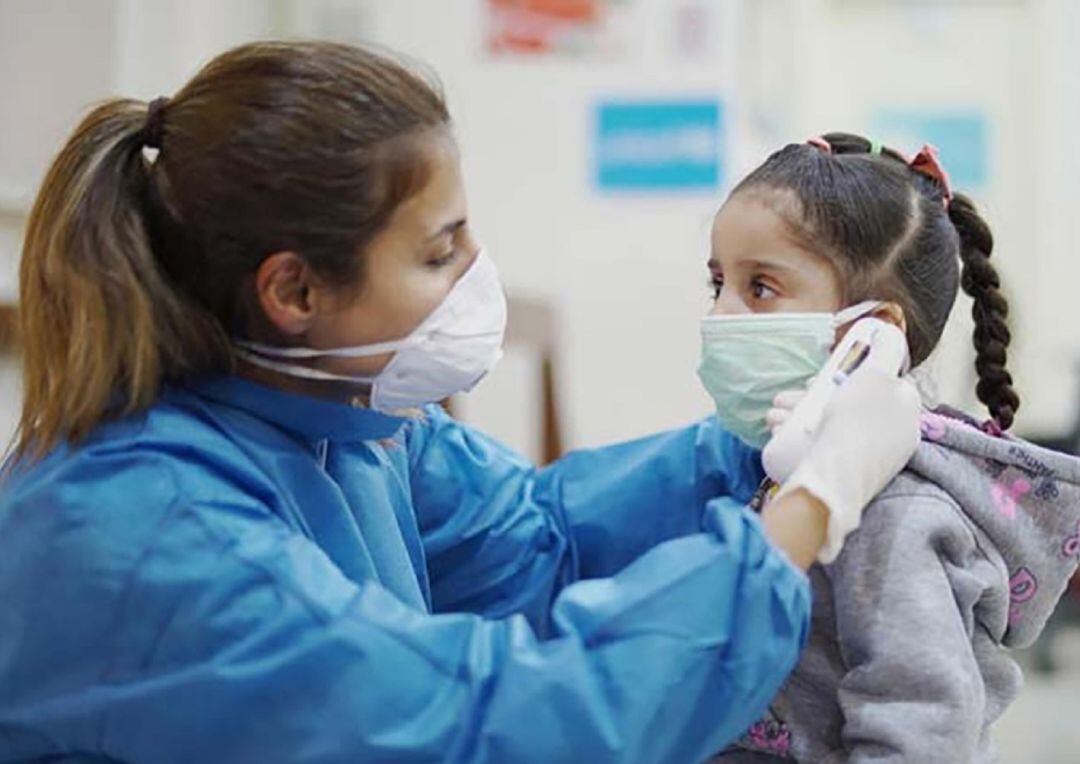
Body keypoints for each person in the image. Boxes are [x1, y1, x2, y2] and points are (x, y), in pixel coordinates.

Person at [0, 45, 919, 763]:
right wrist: (811, 508)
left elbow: (539, 540)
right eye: (440, 252)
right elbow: (499, 726)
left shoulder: (350, 424)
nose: (477, 276)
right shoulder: (142, 531)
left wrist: (764, 437)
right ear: (294, 292)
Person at [702, 133, 1080, 763]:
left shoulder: (894, 513)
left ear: (870, 336)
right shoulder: (765, 465)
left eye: (760, 287)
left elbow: (922, 729)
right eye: (716, 283)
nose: (720, 314)